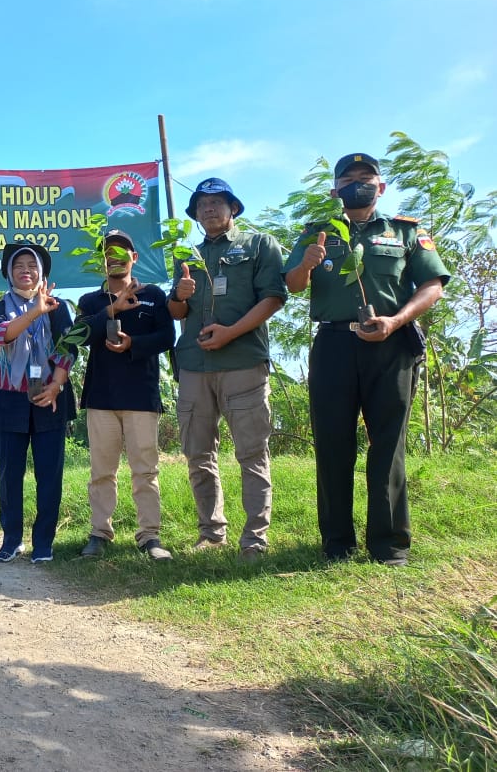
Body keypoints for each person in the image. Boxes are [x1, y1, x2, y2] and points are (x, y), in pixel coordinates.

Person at [284, 153, 448, 566]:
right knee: (333, 444)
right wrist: (305, 264)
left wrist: (397, 320)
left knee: (388, 445)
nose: (358, 183)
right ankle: (337, 543)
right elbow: (293, 285)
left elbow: (432, 286)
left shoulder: (406, 232)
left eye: (366, 177)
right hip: (334, 345)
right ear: (334, 189)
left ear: (381, 186)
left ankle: (389, 545)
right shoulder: (316, 233)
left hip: (391, 346)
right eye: (348, 178)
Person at [168, 178, 286, 562]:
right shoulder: (186, 255)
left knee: (252, 453)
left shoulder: (258, 245)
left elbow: (274, 297)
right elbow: (176, 313)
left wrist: (230, 333)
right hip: (193, 367)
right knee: (198, 454)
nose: (209, 209)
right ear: (195, 213)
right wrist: (179, 297)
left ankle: (254, 540)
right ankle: (211, 532)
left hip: (242, 362)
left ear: (233, 208)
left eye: (218, 202)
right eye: (202, 204)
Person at [76, 230, 176, 560]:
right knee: (101, 471)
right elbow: (78, 336)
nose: (115, 257)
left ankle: (150, 536)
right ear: (102, 260)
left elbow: (166, 336)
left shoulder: (154, 295)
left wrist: (135, 344)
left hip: (141, 396)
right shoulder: (90, 301)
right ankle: (99, 533)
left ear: (134, 257)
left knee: (145, 470)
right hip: (101, 396)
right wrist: (112, 309)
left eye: (123, 251)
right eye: (108, 252)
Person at [0, 243, 77, 564]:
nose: (26, 270)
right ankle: (11, 539)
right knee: (10, 474)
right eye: (18, 265)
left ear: (42, 273)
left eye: (32, 265)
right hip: (9, 398)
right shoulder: (0, 306)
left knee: (49, 474)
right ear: (9, 273)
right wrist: (34, 311)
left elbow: (69, 348)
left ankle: (43, 542)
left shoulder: (59, 306)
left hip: (50, 397)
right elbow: (0, 336)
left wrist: (55, 386)